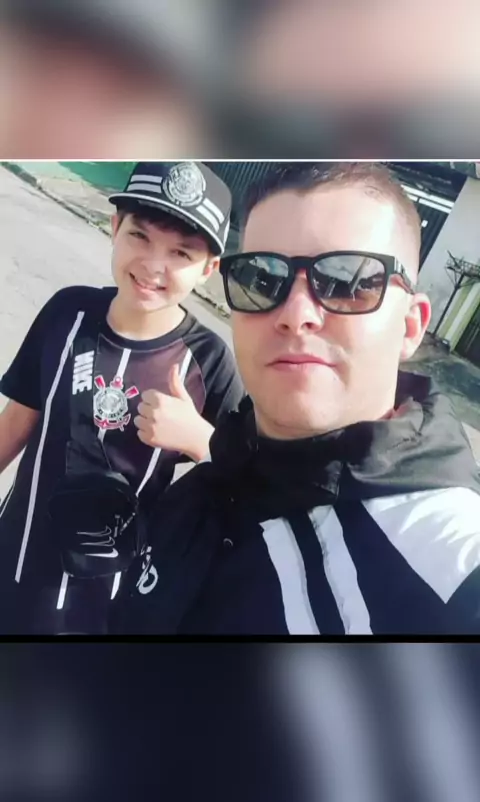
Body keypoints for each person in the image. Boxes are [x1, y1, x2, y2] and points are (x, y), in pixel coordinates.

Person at [113, 161, 480, 635]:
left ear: (411, 326)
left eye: (349, 282)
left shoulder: (445, 562)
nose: (295, 313)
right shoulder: (212, 484)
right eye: (262, 279)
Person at [0, 160, 243, 634]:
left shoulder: (209, 362)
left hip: (108, 609)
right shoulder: (67, 313)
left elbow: (250, 485)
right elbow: (13, 427)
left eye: (181, 252)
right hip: (13, 561)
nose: (153, 265)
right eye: (139, 236)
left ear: (209, 269)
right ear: (114, 228)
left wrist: (201, 441)